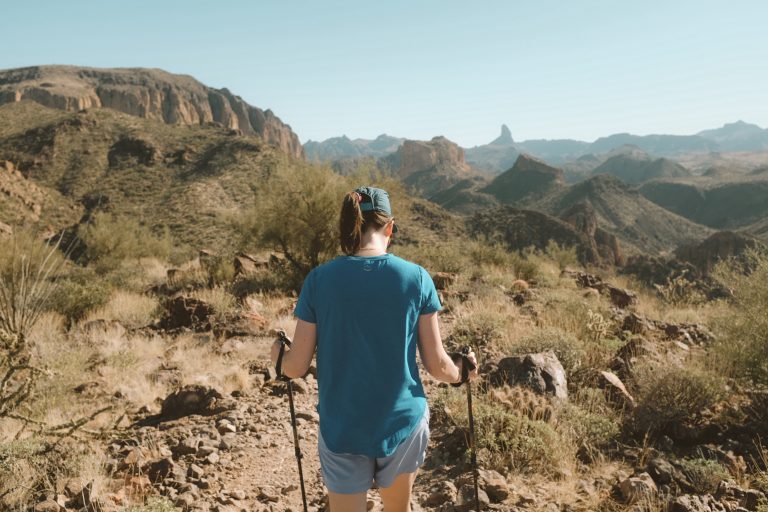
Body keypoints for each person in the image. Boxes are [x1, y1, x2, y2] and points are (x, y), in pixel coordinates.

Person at [271, 186, 478, 512]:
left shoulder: (319, 280)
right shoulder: (417, 278)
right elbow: (438, 365)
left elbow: (295, 367)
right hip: (402, 425)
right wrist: (463, 371)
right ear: (390, 227)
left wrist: (278, 357)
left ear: (347, 226)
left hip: (343, 427)